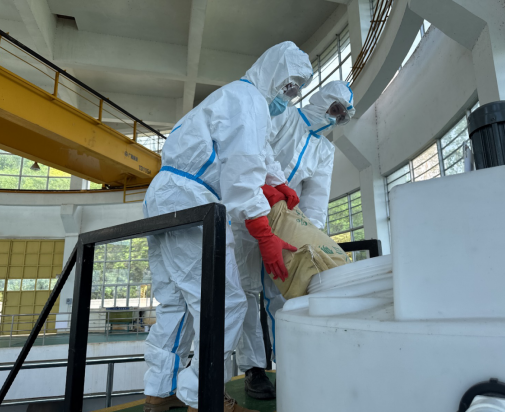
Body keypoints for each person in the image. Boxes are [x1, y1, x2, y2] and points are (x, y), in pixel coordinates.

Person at [142, 41, 313, 412]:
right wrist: (264, 233)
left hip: (164, 196)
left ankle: (160, 389)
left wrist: (279, 182)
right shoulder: (249, 100)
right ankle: (202, 397)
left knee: (175, 301)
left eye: (296, 91)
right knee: (227, 301)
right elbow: (241, 174)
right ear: (272, 72)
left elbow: (259, 155)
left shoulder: (237, 98)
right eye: (288, 86)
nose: (289, 97)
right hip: (192, 201)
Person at [233, 80, 355, 400]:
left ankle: (288, 363)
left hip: (287, 222)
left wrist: (308, 237)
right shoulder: (282, 117)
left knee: (284, 293)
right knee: (247, 289)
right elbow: (252, 155)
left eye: (342, 116)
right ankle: (254, 368)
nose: (335, 118)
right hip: (248, 213)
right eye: (335, 109)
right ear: (322, 99)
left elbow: (316, 197)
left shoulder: (325, 149)